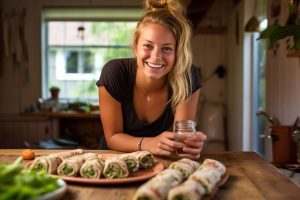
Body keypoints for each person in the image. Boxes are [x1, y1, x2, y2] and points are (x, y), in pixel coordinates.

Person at [96, 0, 207, 159]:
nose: (156, 57)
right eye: (148, 46)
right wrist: (147, 143)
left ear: (177, 53)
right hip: (113, 160)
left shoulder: (187, 76)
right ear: (135, 47)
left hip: (158, 162)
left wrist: (189, 145)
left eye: (167, 48)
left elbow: (180, 140)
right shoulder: (114, 72)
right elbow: (113, 137)